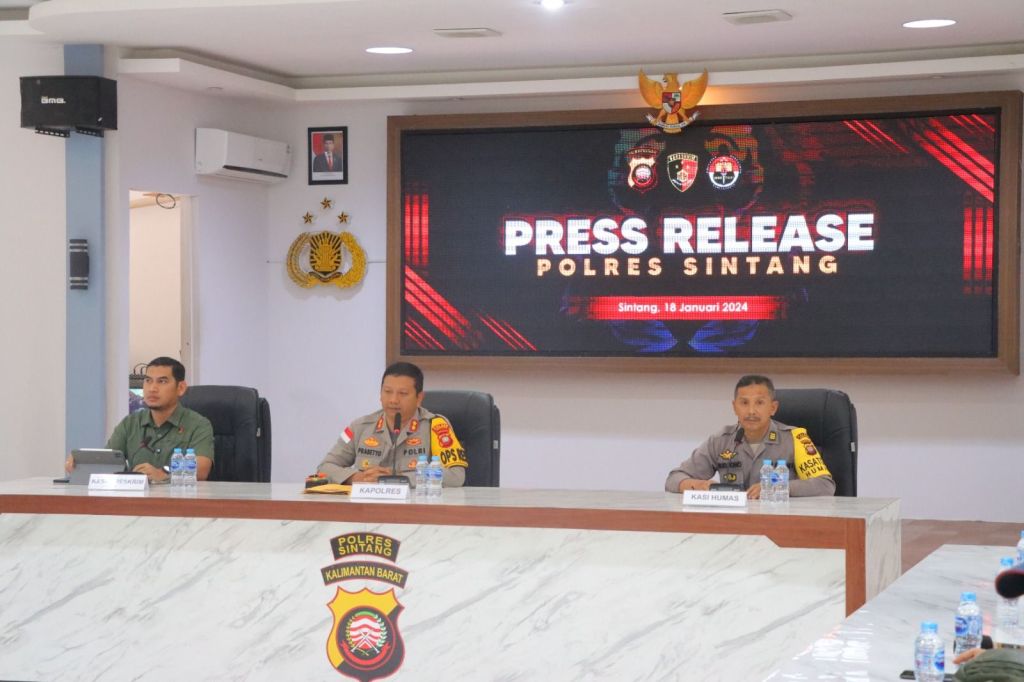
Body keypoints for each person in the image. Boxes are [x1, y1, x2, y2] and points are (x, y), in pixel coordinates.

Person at [665, 374, 835, 498]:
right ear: (734, 407)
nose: (751, 411)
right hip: (734, 522)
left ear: (773, 408)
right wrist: (698, 485)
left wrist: (778, 487)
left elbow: (825, 485)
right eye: (744, 403)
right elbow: (673, 479)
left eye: (759, 403)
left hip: (781, 519)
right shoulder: (721, 440)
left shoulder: (795, 438)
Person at [65, 357, 215, 483]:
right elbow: (109, 462)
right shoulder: (130, 423)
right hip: (134, 502)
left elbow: (202, 470)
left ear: (180, 388)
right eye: (148, 381)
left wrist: (163, 474)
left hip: (179, 502)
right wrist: (83, 462)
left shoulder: (198, 425)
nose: (152, 388)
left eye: (162, 382)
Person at [318, 362, 468, 486]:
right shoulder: (359, 427)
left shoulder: (436, 426)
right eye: (388, 391)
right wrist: (357, 478)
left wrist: (400, 479)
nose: (393, 400)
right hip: (368, 507)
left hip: (415, 508)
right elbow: (325, 467)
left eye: (403, 394)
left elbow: (456, 476)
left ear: (419, 398)